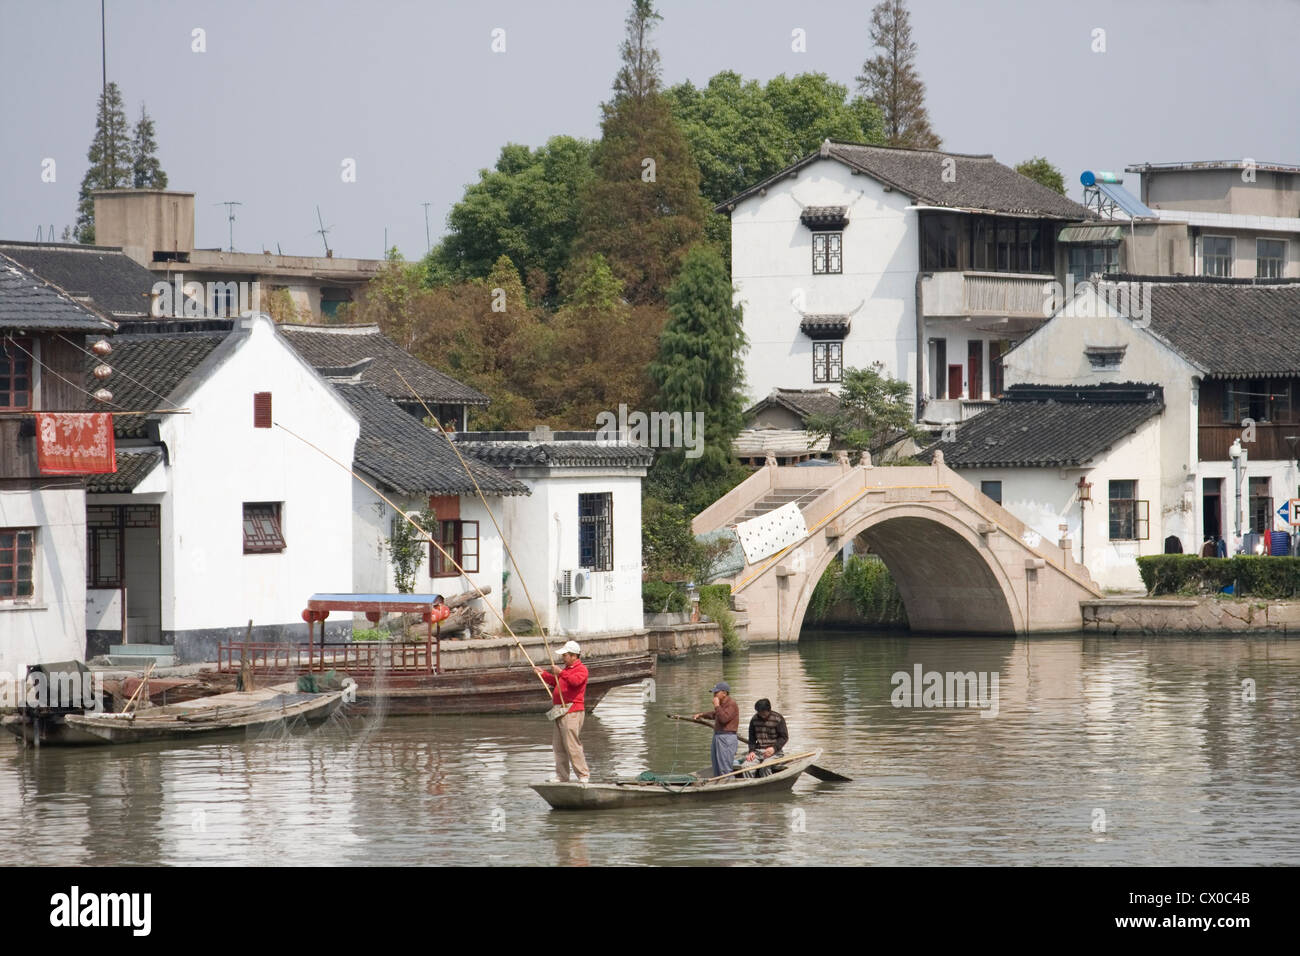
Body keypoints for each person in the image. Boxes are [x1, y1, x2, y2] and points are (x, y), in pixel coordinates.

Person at [535, 640, 589, 784]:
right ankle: (562, 776)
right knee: (558, 746)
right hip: (560, 710)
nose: (562, 658)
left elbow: (575, 682)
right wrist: (543, 674)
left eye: (565, 655)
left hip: (572, 711)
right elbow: (555, 682)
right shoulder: (565, 669)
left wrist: (561, 673)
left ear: (573, 656)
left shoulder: (581, 669)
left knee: (572, 745)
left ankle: (583, 774)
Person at [693, 681, 739, 778]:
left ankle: (729, 785)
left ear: (724, 693)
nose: (714, 695)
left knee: (725, 768)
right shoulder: (722, 704)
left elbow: (723, 719)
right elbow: (715, 714)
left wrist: (717, 705)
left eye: (716, 693)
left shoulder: (731, 704)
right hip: (718, 736)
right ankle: (718, 785)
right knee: (716, 766)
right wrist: (702, 715)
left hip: (726, 738)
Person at [743, 698, 789, 776]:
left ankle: (768, 786)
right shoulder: (754, 719)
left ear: (769, 710)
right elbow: (752, 738)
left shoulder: (778, 718)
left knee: (764, 767)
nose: (761, 715)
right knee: (745, 766)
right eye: (759, 712)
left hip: (775, 752)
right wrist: (751, 751)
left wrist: (774, 748)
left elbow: (784, 737)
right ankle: (749, 785)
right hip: (758, 752)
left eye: (763, 712)